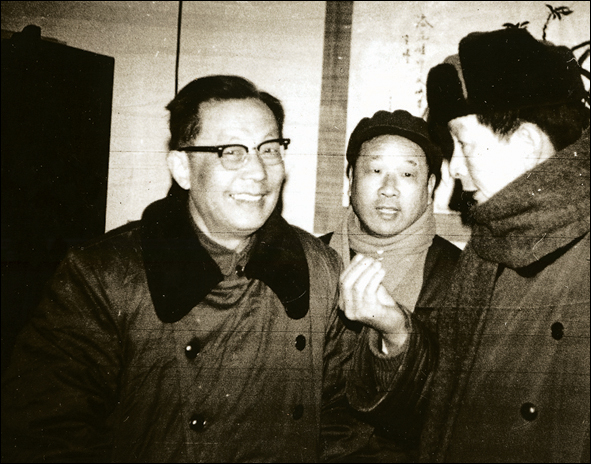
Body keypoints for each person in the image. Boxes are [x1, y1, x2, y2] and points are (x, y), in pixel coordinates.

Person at [1, 75, 403, 462]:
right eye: (232, 151)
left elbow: (343, 427)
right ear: (182, 168)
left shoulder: (319, 266)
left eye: (269, 149)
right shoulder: (104, 275)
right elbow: (45, 436)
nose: (258, 173)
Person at [341, 27, 590, 463]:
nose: (453, 168)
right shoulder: (488, 245)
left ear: (526, 145)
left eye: (464, 144)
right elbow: (439, 411)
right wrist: (397, 331)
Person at [321, 110, 460, 460]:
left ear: (430, 187)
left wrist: (397, 334)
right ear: (350, 178)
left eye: (408, 174)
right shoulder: (310, 260)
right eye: (375, 171)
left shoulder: (461, 273)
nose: (388, 189)